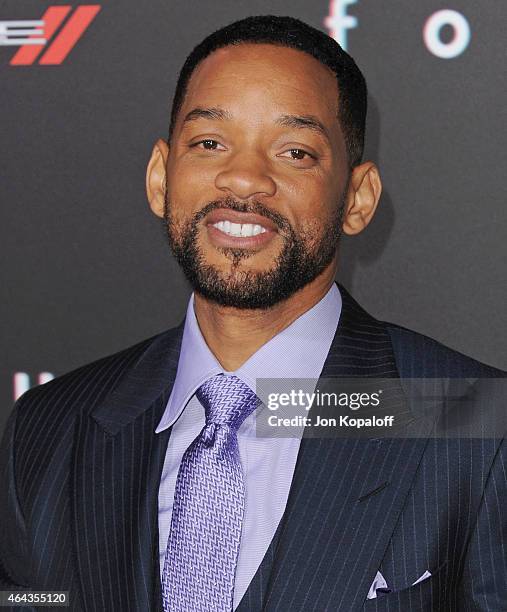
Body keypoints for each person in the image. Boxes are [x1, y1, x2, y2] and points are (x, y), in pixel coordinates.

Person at [0, 14, 505, 612]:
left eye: (295, 152)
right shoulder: (48, 429)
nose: (243, 178)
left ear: (358, 198)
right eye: (210, 142)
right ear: (161, 177)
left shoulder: (477, 427)